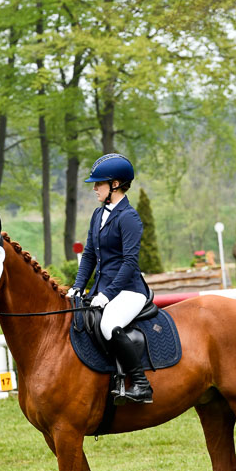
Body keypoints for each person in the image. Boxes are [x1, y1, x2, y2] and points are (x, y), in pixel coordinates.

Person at [67, 153, 153, 404]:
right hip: (104, 289)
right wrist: (78, 286)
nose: (94, 189)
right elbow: (90, 256)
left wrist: (106, 295)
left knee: (108, 325)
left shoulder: (129, 218)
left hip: (129, 290)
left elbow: (129, 263)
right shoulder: (98, 215)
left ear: (115, 185)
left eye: (99, 184)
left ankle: (140, 383)